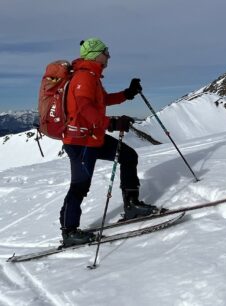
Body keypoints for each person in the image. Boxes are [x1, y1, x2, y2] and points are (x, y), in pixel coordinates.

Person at [60, 37, 158, 247]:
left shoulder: (92, 77)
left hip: (93, 139)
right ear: (96, 54)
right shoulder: (83, 77)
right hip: (80, 142)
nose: (109, 55)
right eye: (106, 51)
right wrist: (111, 123)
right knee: (79, 186)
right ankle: (69, 231)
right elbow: (84, 109)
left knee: (128, 156)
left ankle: (131, 205)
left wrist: (127, 94)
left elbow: (103, 101)